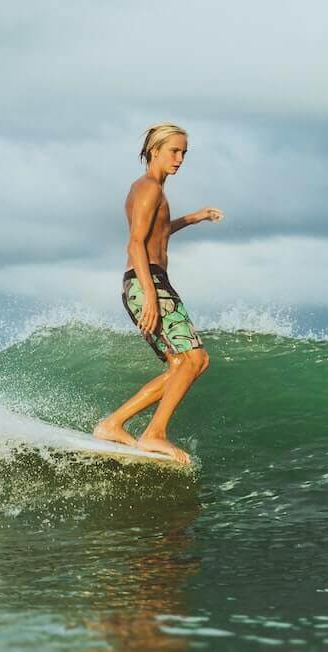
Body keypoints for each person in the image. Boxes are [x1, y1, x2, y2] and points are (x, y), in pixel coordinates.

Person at [92, 123, 223, 464]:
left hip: (147, 281)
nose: (180, 159)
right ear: (154, 150)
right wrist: (150, 295)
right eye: (174, 151)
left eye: (184, 153)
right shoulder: (149, 188)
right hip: (147, 281)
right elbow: (136, 243)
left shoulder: (150, 189)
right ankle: (154, 434)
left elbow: (159, 231)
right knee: (195, 359)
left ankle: (112, 423)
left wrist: (194, 218)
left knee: (183, 364)